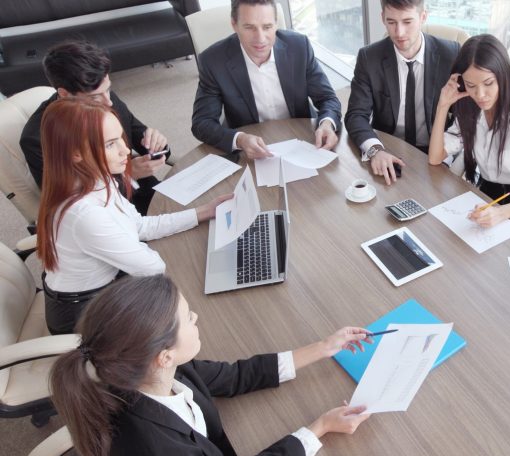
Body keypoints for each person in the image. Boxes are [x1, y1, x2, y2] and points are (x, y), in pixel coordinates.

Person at [50, 274, 372, 456]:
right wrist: (320, 428)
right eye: (188, 318)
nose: (196, 318)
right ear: (164, 355)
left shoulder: (154, 371)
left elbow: (235, 376)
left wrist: (324, 347)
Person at [35, 98, 230, 335]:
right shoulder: (84, 214)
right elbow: (152, 267)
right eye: (110, 144)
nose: (125, 150)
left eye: (121, 139)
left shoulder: (97, 178)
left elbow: (139, 225)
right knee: (197, 323)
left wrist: (202, 212)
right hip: (82, 314)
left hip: (108, 285)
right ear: (76, 154)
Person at [428, 34, 510, 235]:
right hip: (490, 194)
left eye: (488, 83)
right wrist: (443, 104)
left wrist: (501, 213)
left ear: (503, 75)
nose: (480, 94)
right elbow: (436, 157)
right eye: (471, 85)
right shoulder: (470, 109)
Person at [20, 40, 168, 215]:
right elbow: (67, 201)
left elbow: (140, 138)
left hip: (145, 191)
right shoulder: (37, 139)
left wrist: (157, 145)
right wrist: (128, 175)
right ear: (65, 94)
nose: (109, 102)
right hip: (107, 214)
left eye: (108, 89)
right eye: (96, 97)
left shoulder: (104, 95)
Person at [192, 0, 341, 160]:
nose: (260, 38)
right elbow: (202, 123)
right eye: (249, 27)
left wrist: (326, 123)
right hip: (251, 148)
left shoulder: (299, 47)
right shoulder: (213, 61)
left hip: (303, 139)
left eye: (267, 27)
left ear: (276, 24)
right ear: (234, 25)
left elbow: (327, 98)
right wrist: (240, 139)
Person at [345, 0, 459, 185]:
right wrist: (376, 150)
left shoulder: (451, 54)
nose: (399, 33)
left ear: (423, 17)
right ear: (382, 18)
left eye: (407, 22)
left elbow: (463, 116)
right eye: (391, 22)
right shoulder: (369, 57)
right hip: (387, 150)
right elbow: (356, 115)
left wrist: (445, 156)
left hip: (436, 153)